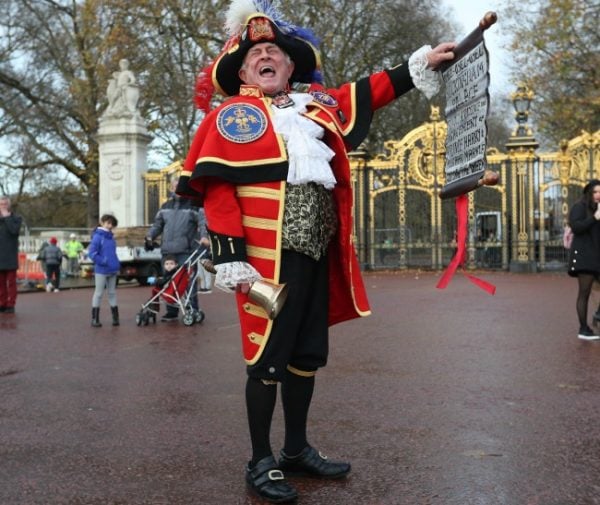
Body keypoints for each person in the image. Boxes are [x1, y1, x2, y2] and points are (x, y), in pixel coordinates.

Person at [176, 1, 456, 503]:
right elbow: (218, 193)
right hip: (263, 263)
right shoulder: (232, 118)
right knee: (265, 357)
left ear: (290, 65)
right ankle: (260, 459)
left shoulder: (315, 104)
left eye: (274, 51)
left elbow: (362, 93)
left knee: (306, 355)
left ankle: (297, 448)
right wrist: (229, 255)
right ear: (242, 70)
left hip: (314, 253)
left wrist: (418, 68)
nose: (266, 55)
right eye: (256, 52)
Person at [145, 176, 209, 322]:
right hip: (167, 251)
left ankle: (192, 309)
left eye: (180, 187)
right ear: (172, 188)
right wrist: (150, 237)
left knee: (188, 282)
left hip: (186, 251)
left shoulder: (194, 205)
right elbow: (157, 225)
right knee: (168, 282)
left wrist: (205, 237)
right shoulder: (165, 206)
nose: (177, 189)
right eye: (175, 187)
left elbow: (203, 222)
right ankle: (171, 311)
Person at [567, 179, 600, 340]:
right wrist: (595, 217)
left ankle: (598, 314)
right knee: (584, 293)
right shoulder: (579, 207)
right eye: (595, 192)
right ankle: (583, 328)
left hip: (597, 256)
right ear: (589, 193)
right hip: (584, 256)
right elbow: (576, 227)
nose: (598, 195)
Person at [88, 214, 121, 327]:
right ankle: (95, 319)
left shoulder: (111, 238)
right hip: (101, 270)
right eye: (108, 223)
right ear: (102, 222)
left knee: (112, 293)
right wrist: (103, 261)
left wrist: (116, 264)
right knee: (99, 293)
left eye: (112, 224)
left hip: (112, 269)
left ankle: (115, 319)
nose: (110, 226)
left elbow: (113, 254)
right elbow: (92, 253)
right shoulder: (98, 237)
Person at [0, 195, 23, 314]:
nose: (2, 206)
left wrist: (6, 217)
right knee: (1, 283)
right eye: (1, 204)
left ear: (8, 205)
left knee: (11, 282)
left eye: (4, 204)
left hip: (10, 255)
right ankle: (2, 303)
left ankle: (11, 304)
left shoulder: (16, 218)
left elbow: (14, 231)